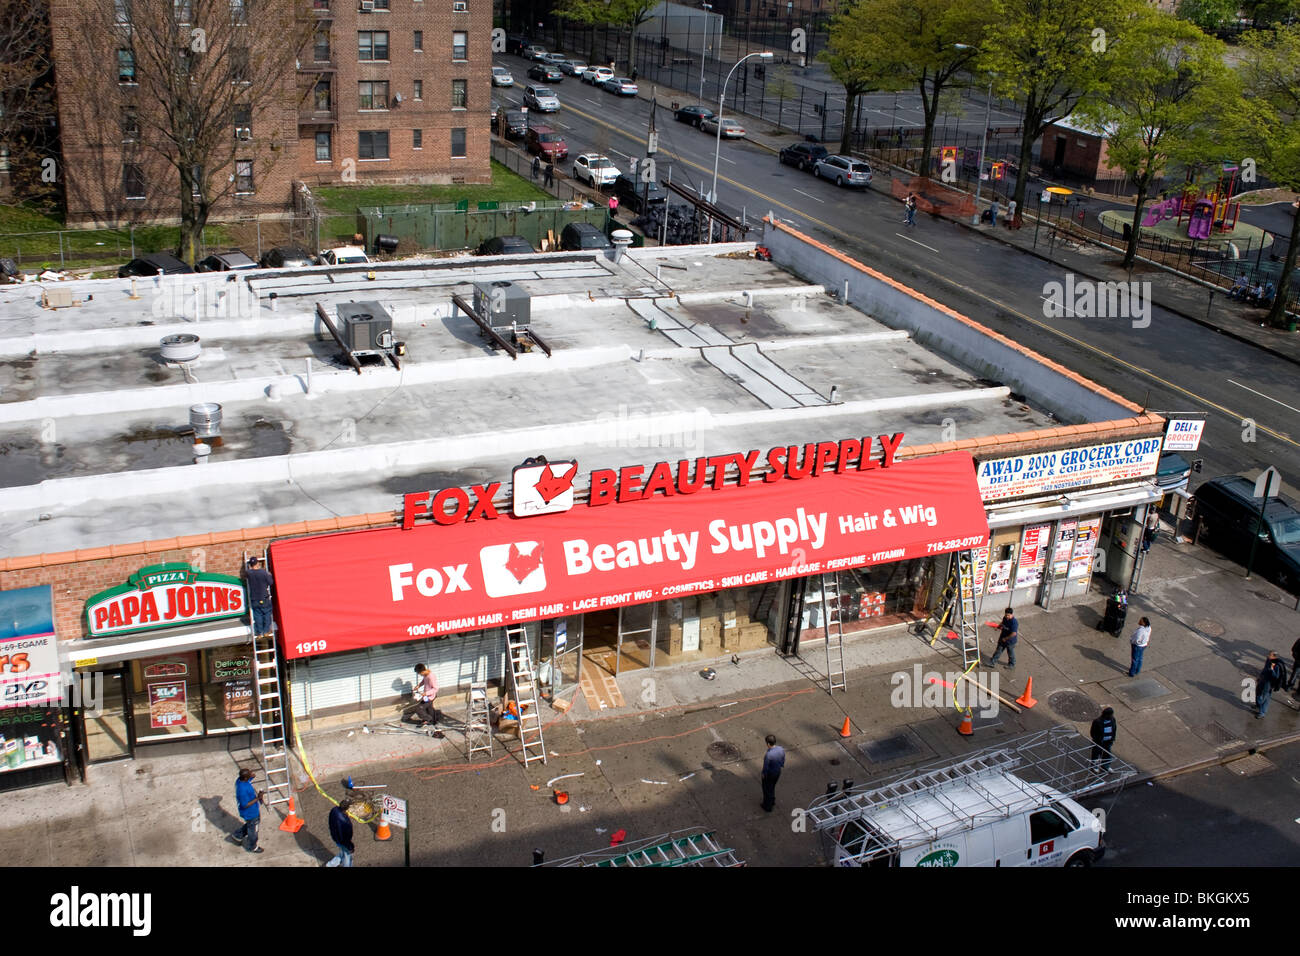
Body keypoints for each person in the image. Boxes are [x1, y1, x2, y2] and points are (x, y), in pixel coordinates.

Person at [230, 768, 264, 854]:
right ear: (245, 778)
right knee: (253, 831)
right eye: (249, 774)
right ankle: (252, 846)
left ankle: (238, 835)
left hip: (252, 812)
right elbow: (245, 805)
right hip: (250, 813)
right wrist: (258, 798)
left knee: (251, 824)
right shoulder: (242, 790)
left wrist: (251, 776)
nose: (251, 774)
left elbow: (249, 777)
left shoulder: (240, 780)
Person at [246, 557, 274, 638]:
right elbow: (270, 582)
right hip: (264, 598)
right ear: (258, 563)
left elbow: (248, 572)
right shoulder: (263, 572)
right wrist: (269, 575)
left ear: (250, 565)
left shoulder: (249, 573)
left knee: (258, 616)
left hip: (254, 599)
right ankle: (266, 631)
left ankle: (259, 633)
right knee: (267, 614)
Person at [1255, 651, 1287, 719]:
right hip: (1263, 679)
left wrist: (1272, 669)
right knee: (1260, 693)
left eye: (1270, 655)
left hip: (1268, 683)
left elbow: (1276, 676)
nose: (1267, 656)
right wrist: (1260, 676)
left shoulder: (1277, 665)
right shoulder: (1268, 660)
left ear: (1274, 656)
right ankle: (1258, 706)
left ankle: (1262, 712)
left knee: (1263, 697)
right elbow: (1265, 669)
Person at [760, 734, 785, 812]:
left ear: (768, 743)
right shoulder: (781, 749)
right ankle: (772, 800)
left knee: (767, 789)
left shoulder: (768, 755)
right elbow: (783, 759)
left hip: (770, 774)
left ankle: (767, 806)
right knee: (772, 787)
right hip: (777, 772)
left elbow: (766, 767)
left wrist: (763, 774)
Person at [327, 799, 355, 867]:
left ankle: (331, 864)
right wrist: (350, 847)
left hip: (335, 837)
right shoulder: (345, 822)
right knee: (348, 857)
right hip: (342, 842)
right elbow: (345, 838)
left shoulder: (334, 810)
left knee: (343, 853)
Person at [1089, 707, 1117, 772]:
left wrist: (1113, 738)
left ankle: (1106, 766)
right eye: (1110, 714)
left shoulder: (1113, 719)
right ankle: (1094, 767)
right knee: (1096, 754)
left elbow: (1114, 729)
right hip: (1099, 742)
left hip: (1108, 741)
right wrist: (1097, 739)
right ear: (1106, 714)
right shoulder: (1097, 721)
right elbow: (1092, 732)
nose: (1112, 716)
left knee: (1107, 754)